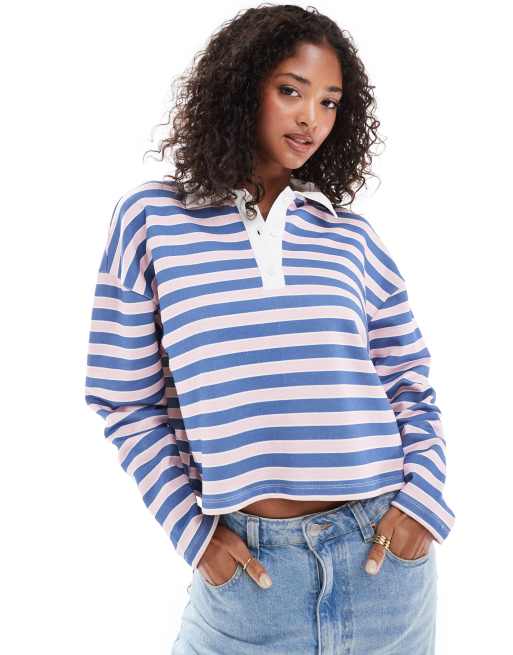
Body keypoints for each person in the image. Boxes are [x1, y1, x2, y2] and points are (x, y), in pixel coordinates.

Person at [84, 4, 455, 653]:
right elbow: (124, 398)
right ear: (241, 87)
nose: (311, 118)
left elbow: (407, 383)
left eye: (329, 102)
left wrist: (421, 503)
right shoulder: (152, 220)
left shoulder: (350, 238)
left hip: (384, 563)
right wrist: (196, 535)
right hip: (249, 576)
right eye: (291, 90)